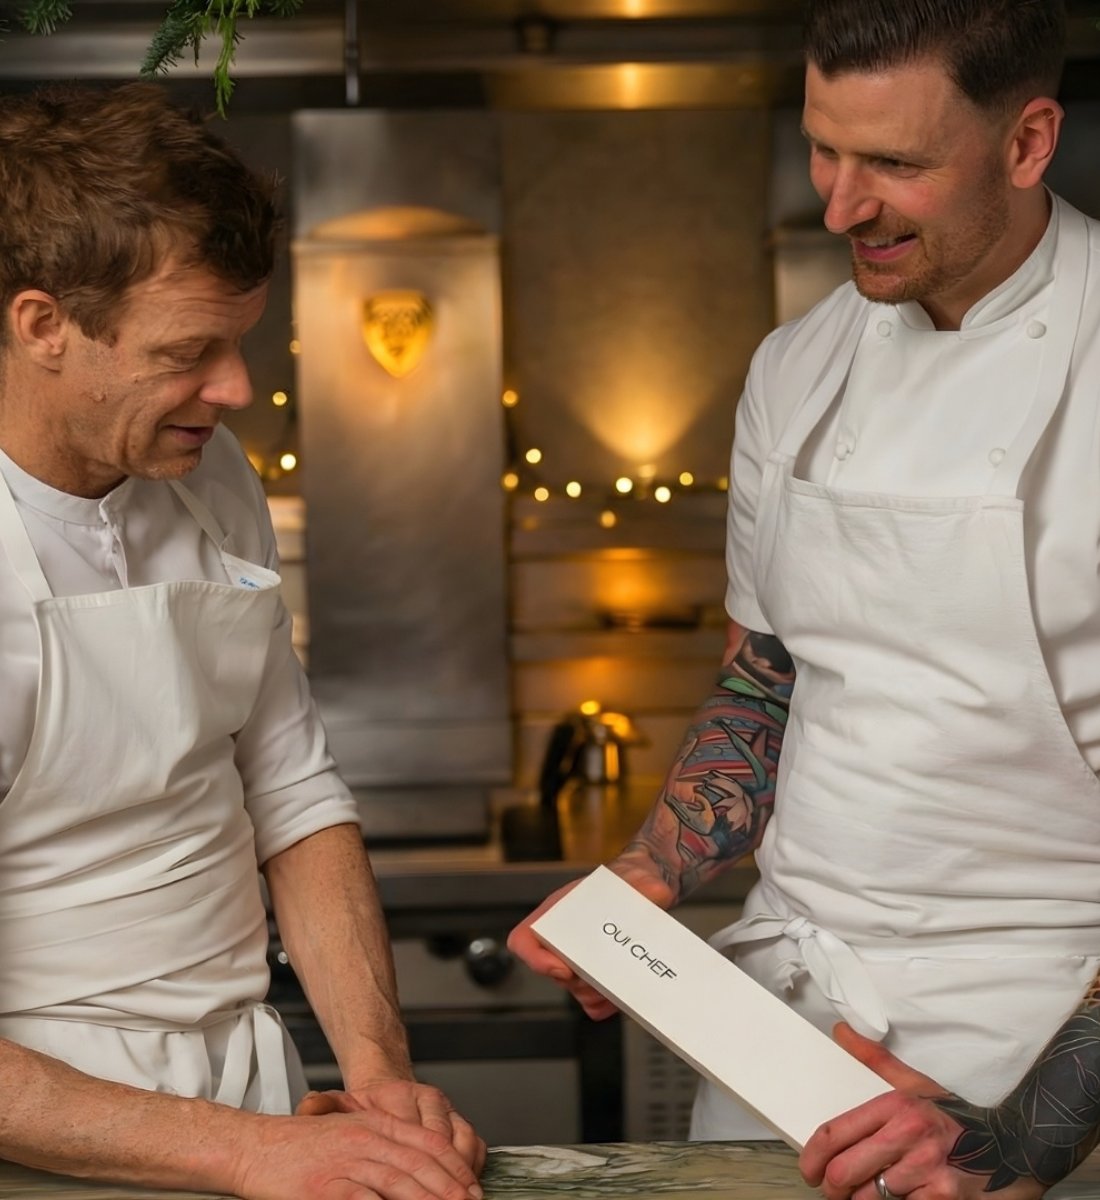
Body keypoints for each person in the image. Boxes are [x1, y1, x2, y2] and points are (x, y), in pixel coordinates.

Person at [509, 0, 1100, 1194]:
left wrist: (1022, 1135)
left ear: (1027, 143)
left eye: (892, 163)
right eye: (823, 148)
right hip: (782, 1028)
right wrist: (651, 872)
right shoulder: (796, 364)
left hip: (1040, 1045)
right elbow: (769, 672)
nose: (838, 205)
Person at [0, 82, 484, 1200]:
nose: (237, 388)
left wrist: (375, 1081)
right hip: (45, 1142)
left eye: (240, 341)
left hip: (252, 1100)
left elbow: (294, 792)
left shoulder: (209, 477)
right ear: (43, 327)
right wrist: (256, 1153)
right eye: (190, 350)